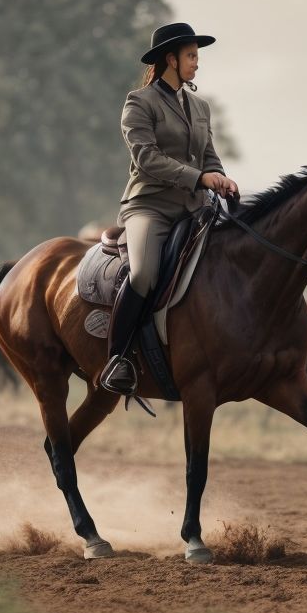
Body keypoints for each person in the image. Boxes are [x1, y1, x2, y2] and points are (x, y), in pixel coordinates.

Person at [99, 22, 239, 395]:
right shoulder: (139, 102)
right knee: (144, 273)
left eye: (197, 56)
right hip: (151, 206)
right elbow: (147, 158)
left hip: (195, 209)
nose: (197, 62)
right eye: (191, 56)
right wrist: (200, 178)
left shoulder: (201, 107)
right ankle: (118, 358)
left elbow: (209, 156)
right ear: (171, 59)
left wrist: (221, 179)